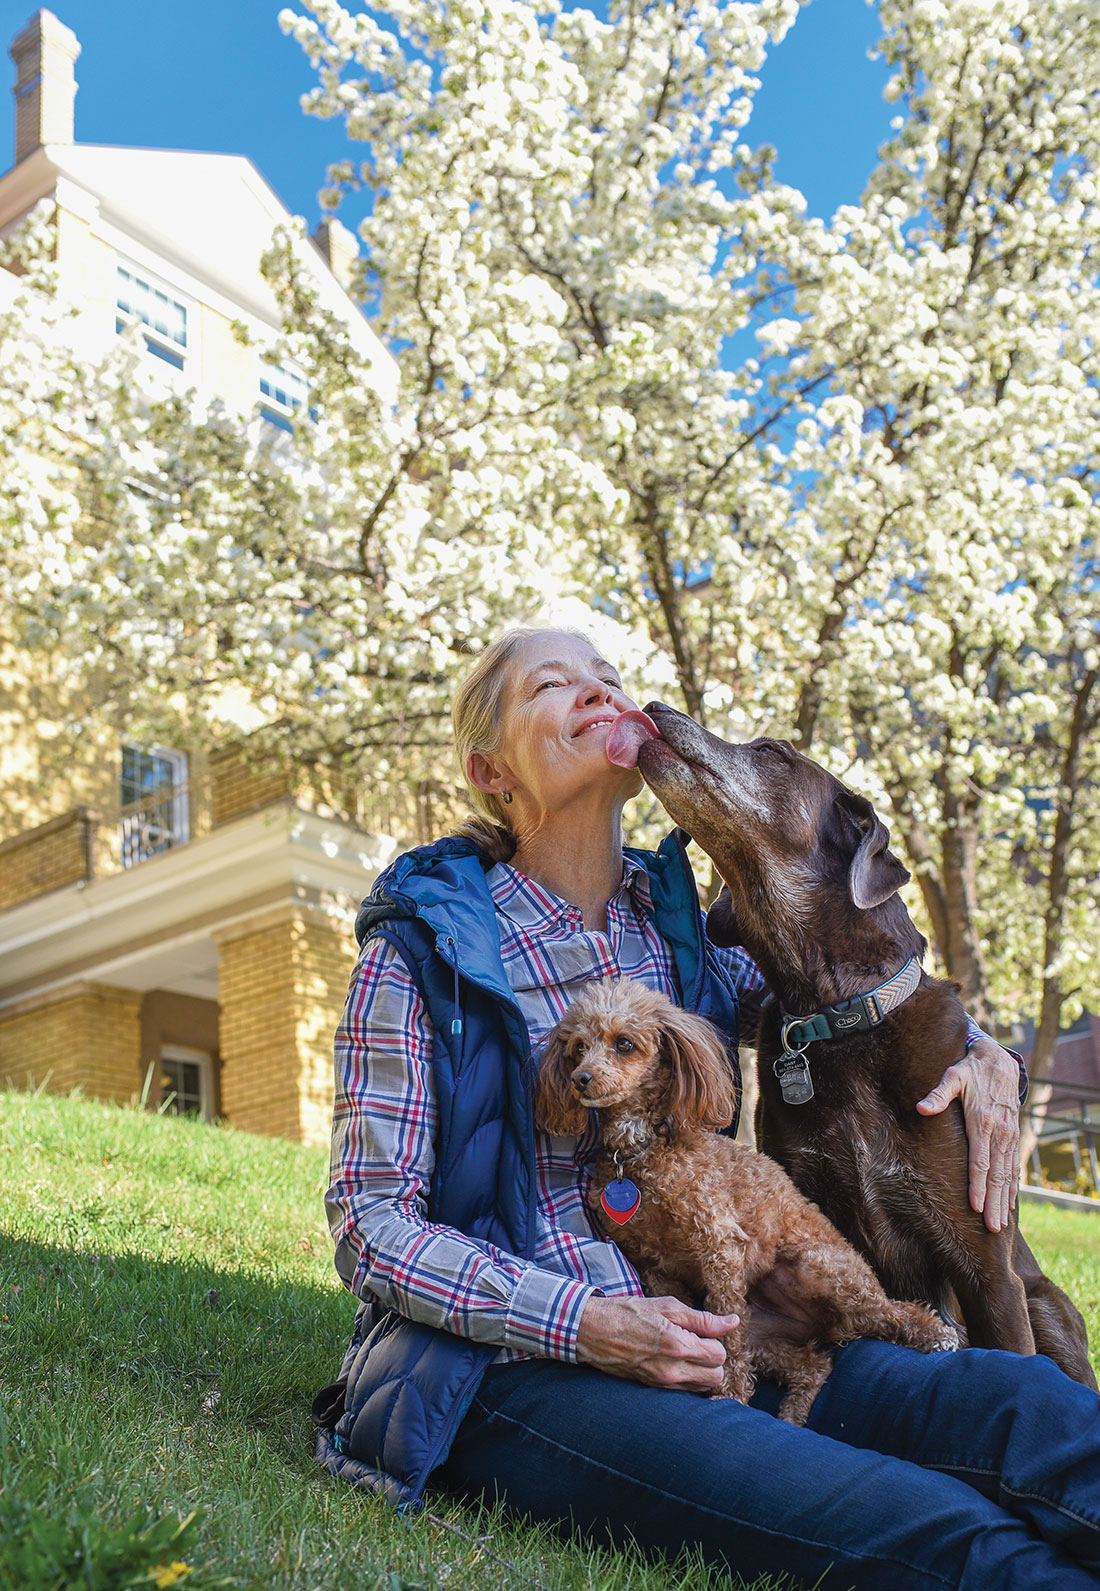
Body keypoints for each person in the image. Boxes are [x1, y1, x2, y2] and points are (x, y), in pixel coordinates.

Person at [313, 626, 1100, 1589]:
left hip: (738, 1335)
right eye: (554, 685)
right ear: (492, 770)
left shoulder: (690, 931)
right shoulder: (426, 948)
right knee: (940, 1530)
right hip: (517, 1373)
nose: (599, 692)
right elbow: (371, 1224)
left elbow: (861, 999)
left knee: (1032, 1412)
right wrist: (588, 1322)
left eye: (609, 677)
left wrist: (984, 1054)